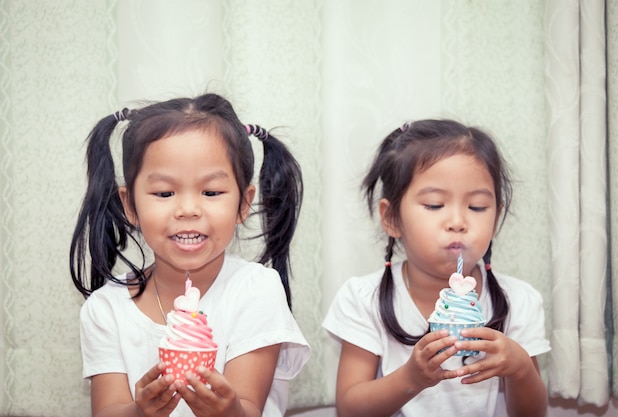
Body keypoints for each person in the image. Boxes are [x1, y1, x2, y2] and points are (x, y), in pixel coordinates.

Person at [70, 93, 310, 417]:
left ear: (243, 203)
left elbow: (250, 408)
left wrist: (230, 411)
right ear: (130, 205)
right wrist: (139, 412)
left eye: (211, 192)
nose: (187, 210)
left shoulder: (256, 290)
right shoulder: (106, 310)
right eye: (164, 193)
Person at [323, 119, 550, 417]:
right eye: (434, 205)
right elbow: (350, 410)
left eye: (477, 207)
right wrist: (410, 379)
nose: (457, 222)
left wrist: (520, 368)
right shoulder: (364, 299)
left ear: (496, 217)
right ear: (391, 218)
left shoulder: (518, 301)